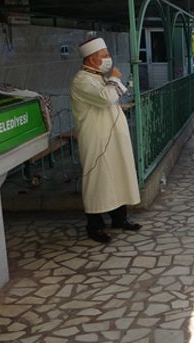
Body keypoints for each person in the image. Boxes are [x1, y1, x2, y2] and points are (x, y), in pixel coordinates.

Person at [70, 38, 141, 243]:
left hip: (114, 140)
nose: (108, 59)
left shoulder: (99, 77)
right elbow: (106, 98)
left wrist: (112, 80)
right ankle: (95, 226)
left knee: (118, 175)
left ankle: (120, 219)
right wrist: (115, 78)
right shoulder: (82, 80)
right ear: (92, 59)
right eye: (104, 56)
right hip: (97, 140)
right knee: (98, 179)